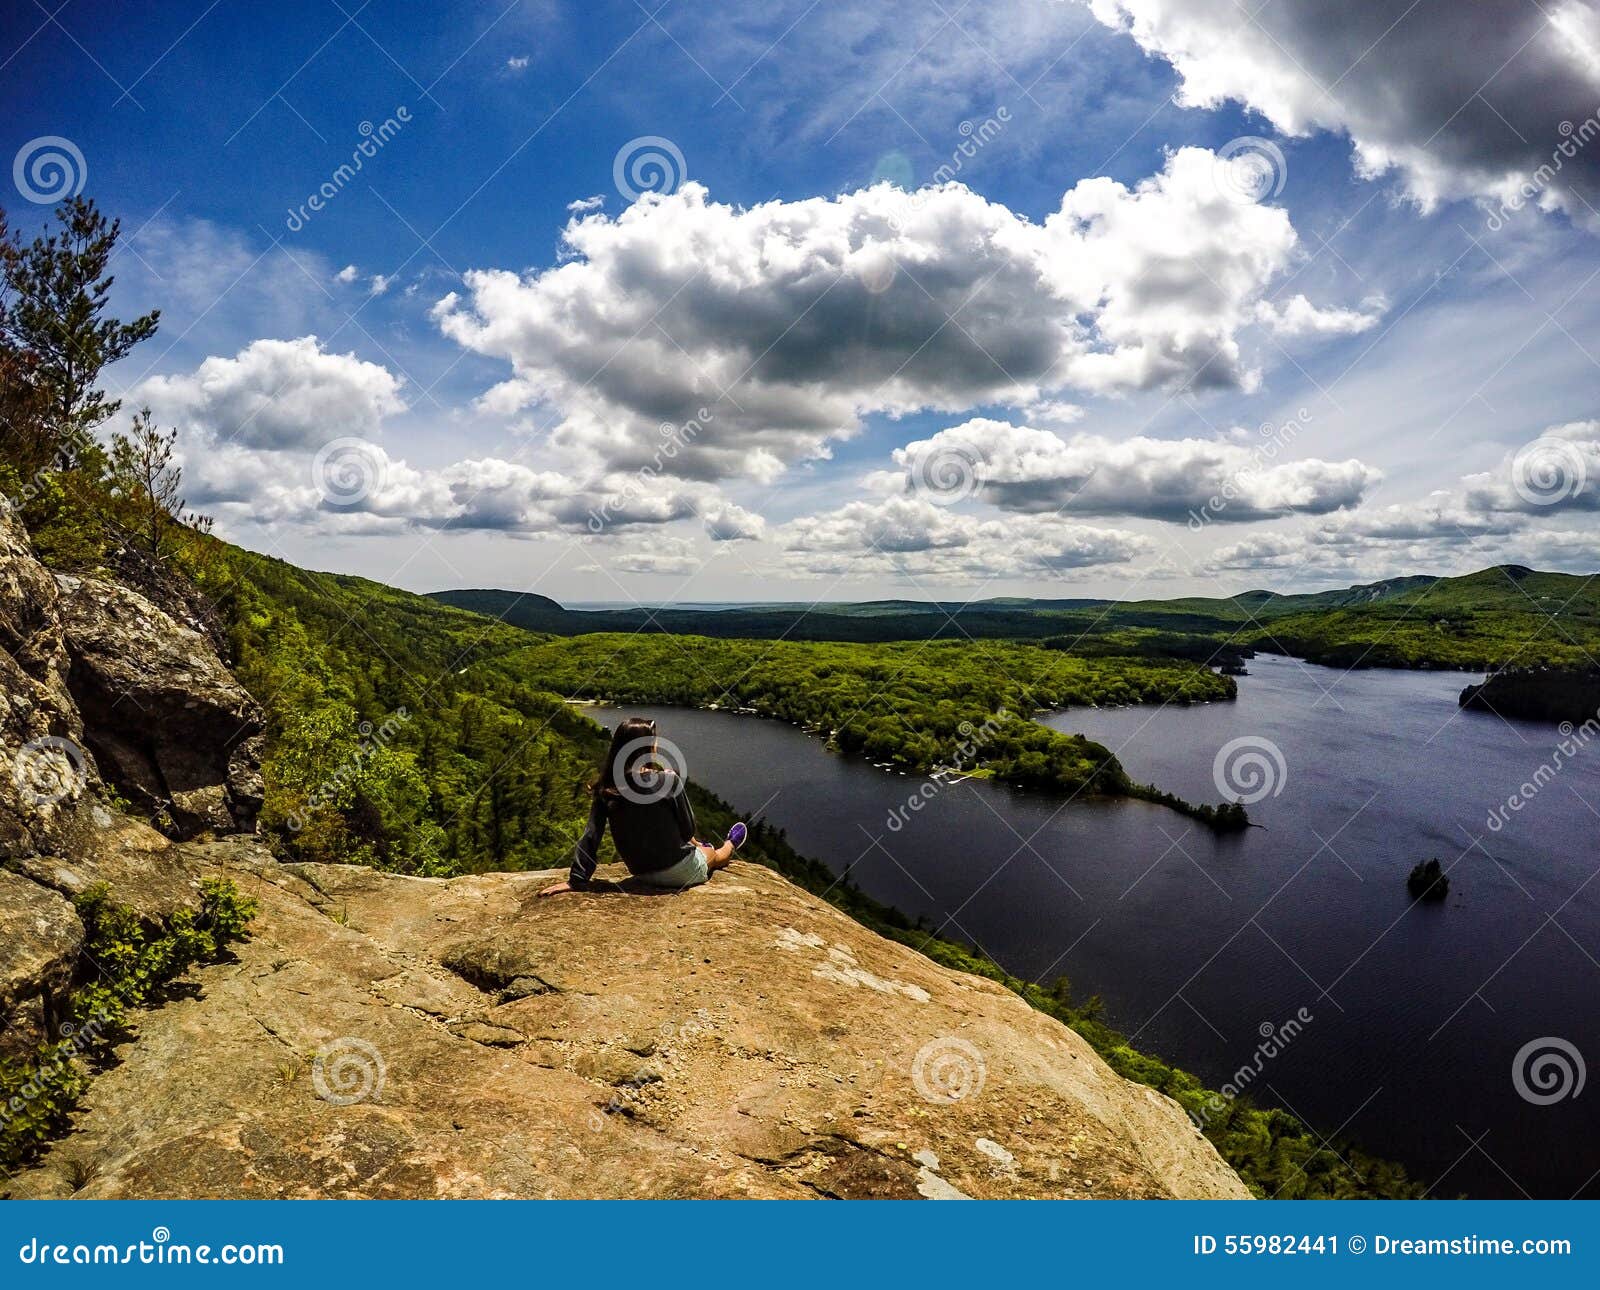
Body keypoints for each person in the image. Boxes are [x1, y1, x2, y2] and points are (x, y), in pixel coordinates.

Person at [539, 716, 747, 896]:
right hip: (679, 873)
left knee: (696, 846)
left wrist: (576, 880)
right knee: (712, 854)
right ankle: (730, 845)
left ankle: (702, 847)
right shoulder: (667, 781)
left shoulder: (607, 788)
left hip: (640, 872)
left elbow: (591, 836)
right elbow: (687, 830)